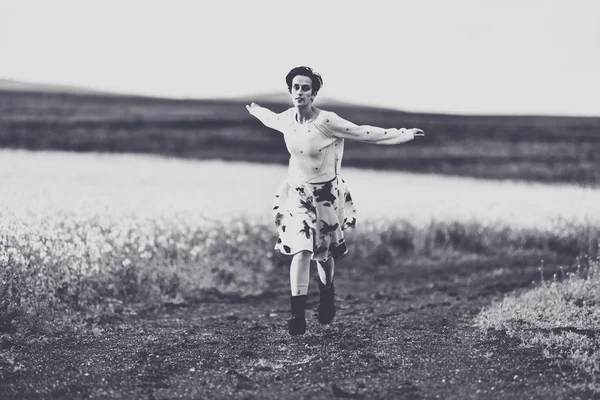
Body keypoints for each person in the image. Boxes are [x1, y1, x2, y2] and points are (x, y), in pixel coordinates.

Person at [246, 66, 425, 335]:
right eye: (295, 87)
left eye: (305, 88)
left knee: (324, 254)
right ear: (290, 91)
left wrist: (404, 133)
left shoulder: (327, 122)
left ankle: (327, 292)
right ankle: (297, 315)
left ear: (314, 93)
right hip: (297, 194)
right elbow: (270, 119)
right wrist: (256, 110)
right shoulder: (287, 119)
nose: (300, 92)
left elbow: (364, 132)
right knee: (302, 248)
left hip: (325, 197)